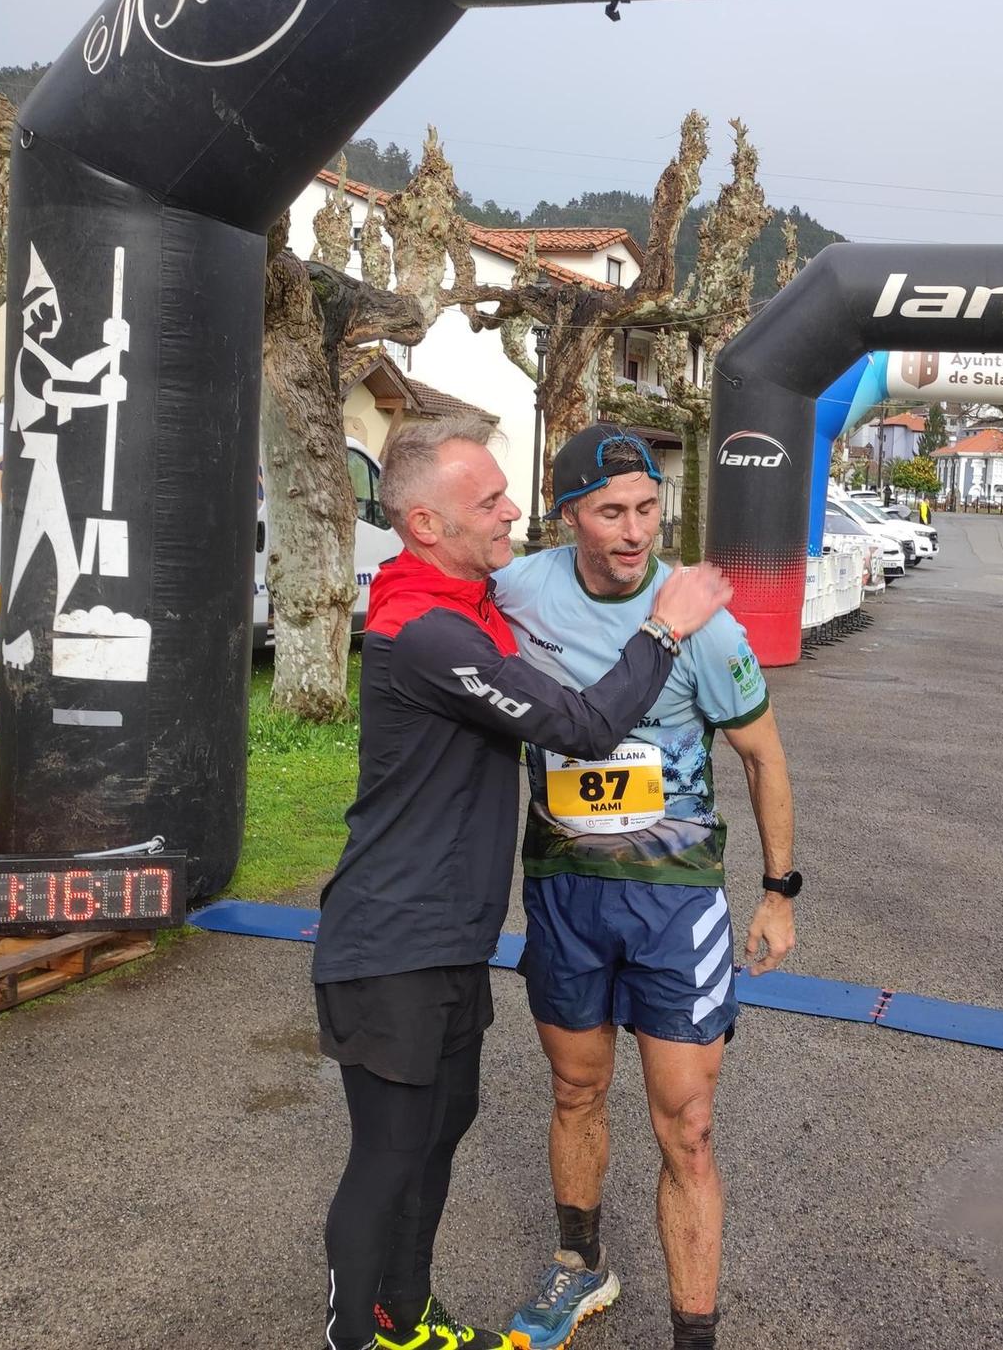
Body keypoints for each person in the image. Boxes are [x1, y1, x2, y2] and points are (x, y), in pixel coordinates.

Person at [313, 417, 735, 1350]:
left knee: (443, 1126)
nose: (514, 513)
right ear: (426, 524)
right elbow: (581, 727)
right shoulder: (424, 631)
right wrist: (668, 623)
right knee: (387, 1157)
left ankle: (406, 1316)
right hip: (390, 939)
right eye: (490, 502)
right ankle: (355, 1337)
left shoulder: (463, 603)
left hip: (450, 936)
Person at [495, 425, 799, 1350]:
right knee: (575, 1089)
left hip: (673, 906)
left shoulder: (701, 620)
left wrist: (779, 888)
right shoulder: (519, 590)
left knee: (689, 1125)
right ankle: (575, 1269)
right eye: (611, 511)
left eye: (647, 509)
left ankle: (693, 1335)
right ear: (568, 517)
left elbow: (762, 756)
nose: (635, 532)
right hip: (563, 892)